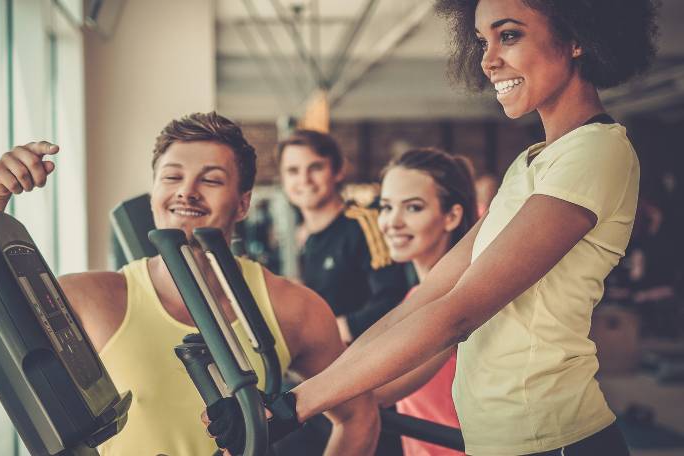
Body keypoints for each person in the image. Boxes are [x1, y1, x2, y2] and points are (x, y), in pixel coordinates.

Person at [208, 1, 659, 454]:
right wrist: (297, 396)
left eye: (509, 36)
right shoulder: (529, 163)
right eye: (483, 41)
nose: (487, 60)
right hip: (501, 440)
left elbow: (458, 312)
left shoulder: (596, 152)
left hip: (554, 440)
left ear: (578, 37)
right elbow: (428, 295)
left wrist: (292, 407)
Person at [0, 112, 380, 456]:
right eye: (173, 177)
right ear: (154, 192)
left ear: (243, 204)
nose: (187, 191)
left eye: (212, 179)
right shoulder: (96, 298)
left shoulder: (292, 307)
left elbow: (358, 417)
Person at [372, 147, 477, 456]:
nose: (393, 222)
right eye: (386, 207)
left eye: (413, 208)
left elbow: (380, 390)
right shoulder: (414, 297)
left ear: (452, 216)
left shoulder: (459, 297)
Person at [277, 129, 408, 345]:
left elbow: (394, 299)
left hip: (369, 361)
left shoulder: (365, 222)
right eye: (292, 171)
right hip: (328, 360)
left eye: (315, 167)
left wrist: (337, 329)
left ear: (338, 171)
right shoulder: (307, 240)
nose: (304, 180)